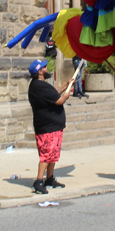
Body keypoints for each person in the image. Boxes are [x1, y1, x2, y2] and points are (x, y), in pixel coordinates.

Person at [28, 58, 70, 194]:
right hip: (47, 127)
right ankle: (38, 181)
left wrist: (66, 85)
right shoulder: (38, 86)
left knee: (53, 154)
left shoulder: (41, 85)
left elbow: (53, 93)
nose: (47, 69)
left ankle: (50, 178)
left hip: (54, 126)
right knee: (46, 154)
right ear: (40, 71)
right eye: (45, 67)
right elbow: (59, 100)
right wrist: (67, 95)